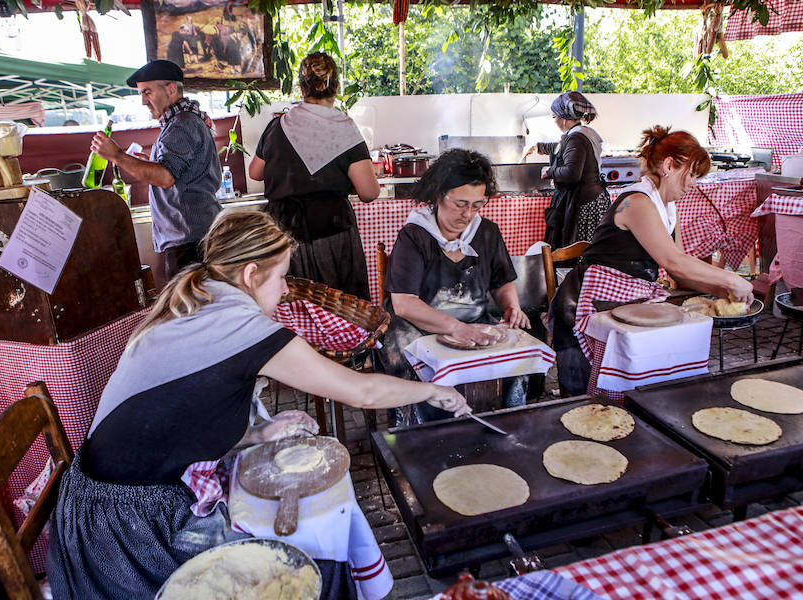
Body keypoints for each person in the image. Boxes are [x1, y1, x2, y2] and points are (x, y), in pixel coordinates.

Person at [47, 209, 469, 600]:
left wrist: (256, 433)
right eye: (282, 276)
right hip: (127, 537)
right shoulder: (240, 324)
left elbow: (180, 417)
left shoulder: (198, 298)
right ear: (250, 273)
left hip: (98, 510)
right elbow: (363, 393)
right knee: (314, 566)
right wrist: (434, 390)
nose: (286, 289)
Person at [548, 126, 754, 395]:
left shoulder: (667, 208)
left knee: (638, 391)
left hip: (629, 303)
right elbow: (673, 261)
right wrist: (732, 278)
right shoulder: (637, 202)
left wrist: (722, 292)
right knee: (584, 404)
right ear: (669, 165)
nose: (693, 184)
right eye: (690, 174)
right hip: (586, 308)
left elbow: (680, 271)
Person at [373, 149, 531, 426]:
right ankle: (423, 439)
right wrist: (455, 328)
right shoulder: (415, 235)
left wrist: (512, 306)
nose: (468, 214)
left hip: (475, 321)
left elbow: (501, 281)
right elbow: (404, 303)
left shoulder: (487, 232)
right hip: (416, 326)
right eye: (460, 204)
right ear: (437, 195)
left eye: (476, 205)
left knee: (515, 359)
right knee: (416, 366)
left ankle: (504, 428)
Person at [248, 52, 379, 301]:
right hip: (330, 234)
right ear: (337, 88)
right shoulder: (345, 129)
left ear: (301, 89)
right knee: (336, 309)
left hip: (281, 235)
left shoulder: (277, 126)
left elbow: (255, 173)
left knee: (292, 308)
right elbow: (369, 192)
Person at [88, 59, 222, 283]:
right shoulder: (185, 120)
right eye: (141, 93)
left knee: (193, 313)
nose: (143, 101)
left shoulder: (182, 124)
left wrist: (117, 156)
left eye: (147, 92)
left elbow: (165, 176)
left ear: (170, 89)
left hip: (190, 240)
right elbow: (175, 172)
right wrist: (148, 161)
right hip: (193, 236)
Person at [524, 91, 610, 248]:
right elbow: (561, 148)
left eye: (555, 117)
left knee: (578, 252)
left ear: (563, 119)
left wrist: (549, 171)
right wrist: (538, 147)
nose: (555, 121)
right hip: (590, 199)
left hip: (584, 204)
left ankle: (576, 273)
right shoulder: (581, 133)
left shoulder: (576, 138)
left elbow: (571, 173)